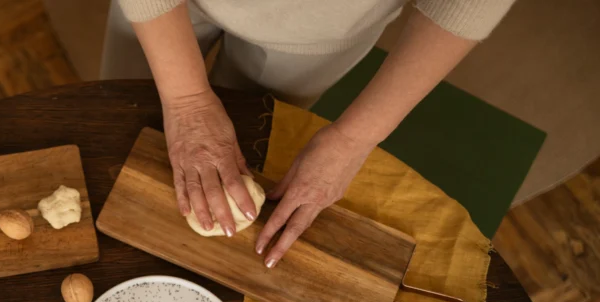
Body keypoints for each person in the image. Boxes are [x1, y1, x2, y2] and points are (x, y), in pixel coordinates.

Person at [101, 0, 515, 267]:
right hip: (158, 10)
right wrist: (186, 100)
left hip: (315, 37)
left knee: (249, 141)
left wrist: (354, 139)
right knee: (118, 123)